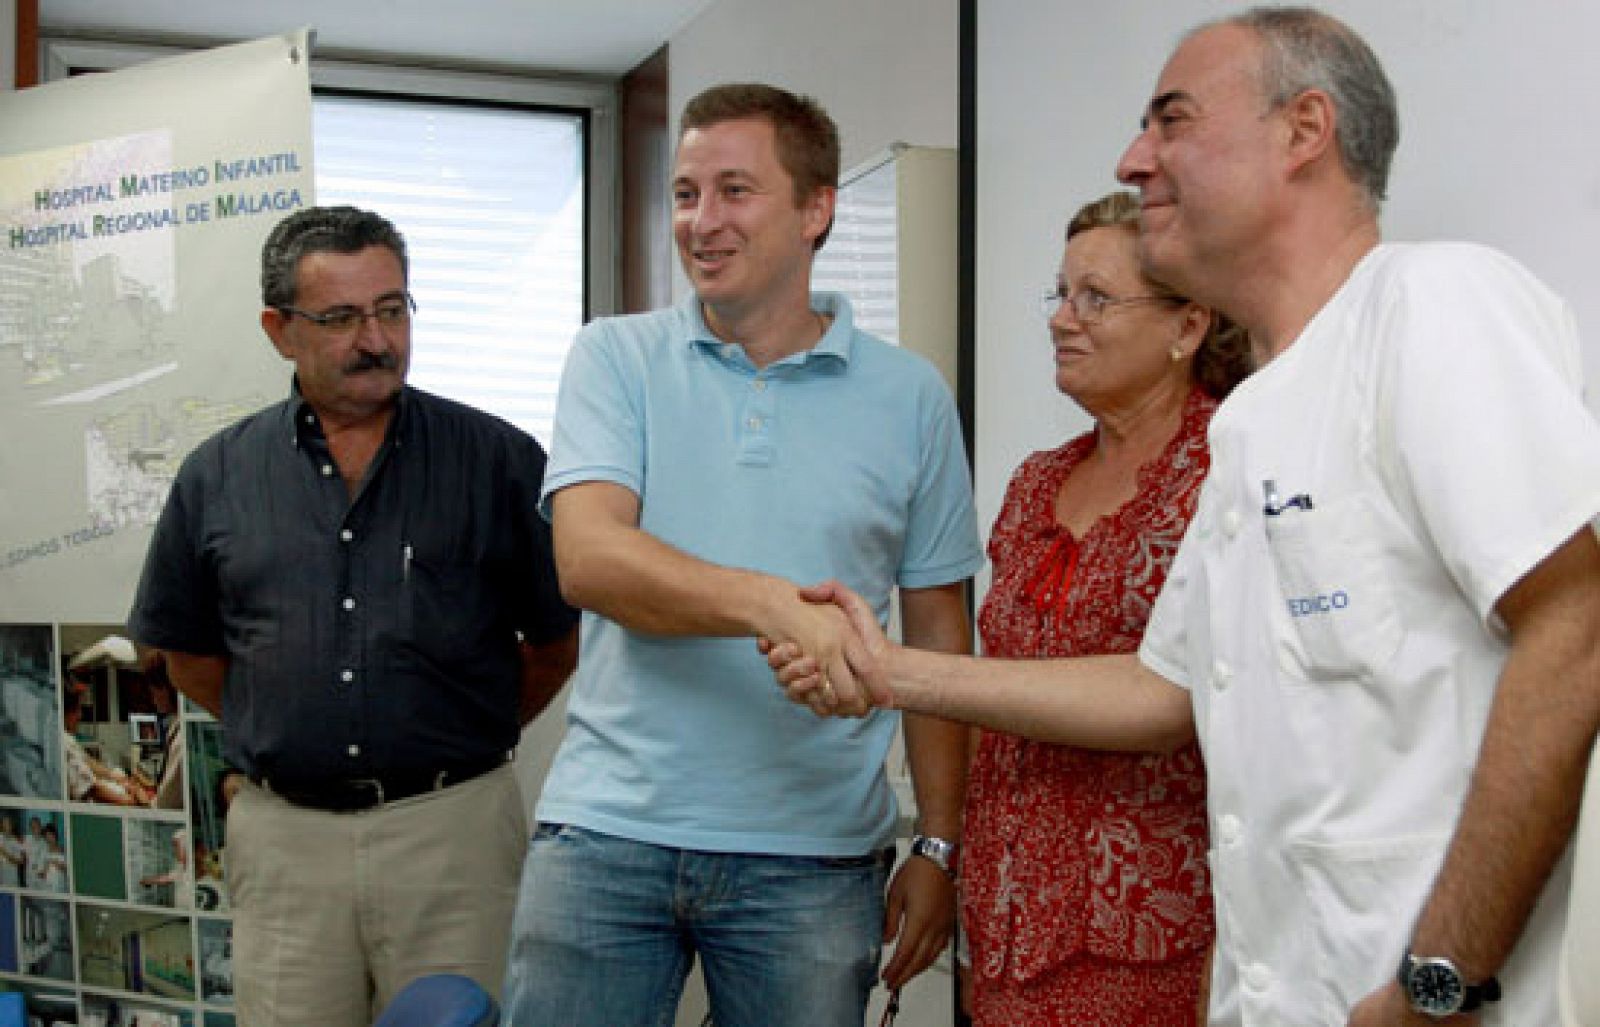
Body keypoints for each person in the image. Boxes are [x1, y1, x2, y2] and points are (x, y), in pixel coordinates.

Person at [771, 8, 1600, 1025]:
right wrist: (890, 669)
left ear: (1304, 130)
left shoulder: (1428, 306)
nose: (1134, 158)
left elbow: (1577, 624)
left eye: (1171, 121)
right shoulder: (1250, 421)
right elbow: (1165, 690)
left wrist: (1437, 979)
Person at [501, 83, 984, 1027]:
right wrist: (771, 603)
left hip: (812, 855)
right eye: (685, 194)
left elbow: (937, 633)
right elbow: (590, 560)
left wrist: (937, 845)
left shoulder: (913, 396)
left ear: (817, 208)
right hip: (607, 832)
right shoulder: (614, 357)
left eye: (734, 191)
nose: (701, 221)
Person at [128, 205, 579, 1026]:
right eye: (341, 318)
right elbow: (188, 652)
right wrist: (290, 726)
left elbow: (554, 642)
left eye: (393, 308)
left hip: (454, 836)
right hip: (287, 844)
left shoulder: (498, 461)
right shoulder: (217, 474)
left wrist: (445, 734)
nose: (377, 339)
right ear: (279, 329)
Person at [950, 190, 1248, 1025]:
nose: (1061, 318)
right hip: (1009, 930)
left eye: (1096, 298)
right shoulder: (1037, 481)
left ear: (1188, 327)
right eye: (1060, 293)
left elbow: (1177, 702)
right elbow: (999, 703)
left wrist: (900, 672)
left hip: (1155, 938)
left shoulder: (1225, 469)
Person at [139, 829, 194, 909]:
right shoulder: (180, 865)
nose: (174, 850)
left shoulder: (197, 863)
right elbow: (168, 878)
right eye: (174, 846)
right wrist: (149, 880)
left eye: (176, 845)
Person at [0, 813, 23, 887]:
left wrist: (6, 855)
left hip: (12, 880)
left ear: (11, 826)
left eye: (7, 823)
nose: (5, 826)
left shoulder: (15, 841)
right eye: (4, 823)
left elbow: (20, 861)